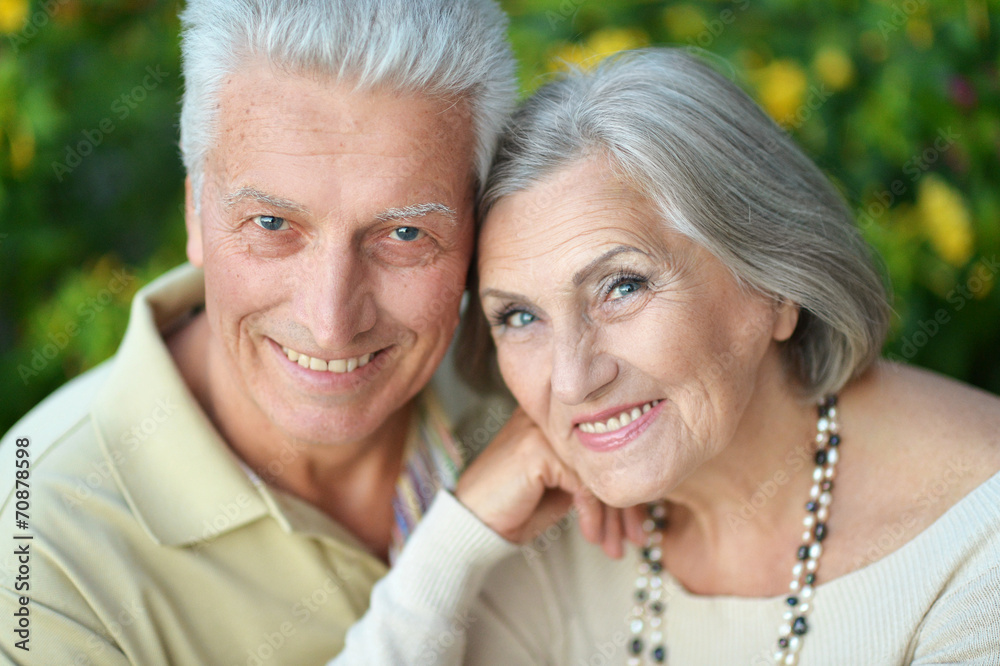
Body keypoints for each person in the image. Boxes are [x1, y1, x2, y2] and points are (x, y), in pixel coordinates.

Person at [334, 49, 1000, 665]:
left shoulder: (976, 546)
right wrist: (453, 543)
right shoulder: (541, 534)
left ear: (776, 284)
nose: (572, 380)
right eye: (519, 316)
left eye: (623, 287)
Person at [0, 0, 520, 663]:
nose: (329, 322)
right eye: (273, 225)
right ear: (195, 212)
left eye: (404, 233)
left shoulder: (551, 388)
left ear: (478, 232)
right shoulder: (36, 555)